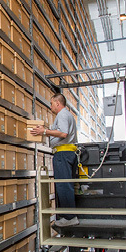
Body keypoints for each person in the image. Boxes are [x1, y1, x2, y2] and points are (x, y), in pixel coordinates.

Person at [30, 93, 79, 227]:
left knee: (63, 185)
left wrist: (44, 132)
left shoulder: (62, 114)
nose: (51, 106)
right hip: (68, 153)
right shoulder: (68, 115)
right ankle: (67, 216)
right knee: (65, 185)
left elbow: (63, 133)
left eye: (52, 104)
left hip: (63, 153)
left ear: (58, 103)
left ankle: (69, 217)